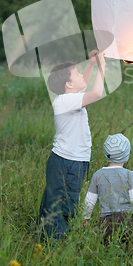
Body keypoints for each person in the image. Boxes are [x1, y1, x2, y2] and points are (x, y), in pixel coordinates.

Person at [37, 51, 106, 239]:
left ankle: (52, 234)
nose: (81, 76)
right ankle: (54, 241)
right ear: (68, 84)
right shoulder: (65, 101)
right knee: (57, 204)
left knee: (68, 202)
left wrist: (91, 64)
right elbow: (96, 93)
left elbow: (82, 87)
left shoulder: (71, 98)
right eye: (77, 74)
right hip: (63, 161)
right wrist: (102, 67)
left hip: (77, 161)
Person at [83, 133, 133, 246]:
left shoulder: (98, 175)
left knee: (107, 249)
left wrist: (85, 217)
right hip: (126, 220)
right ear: (126, 156)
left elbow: (89, 200)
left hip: (106, 221)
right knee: (131, 250)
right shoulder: (129, 174)